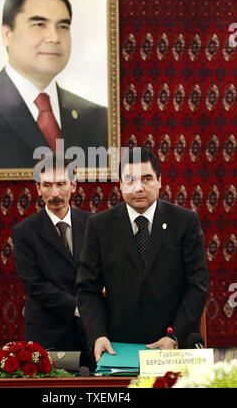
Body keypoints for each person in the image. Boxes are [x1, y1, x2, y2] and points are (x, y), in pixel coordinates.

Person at [76, 147, 209, 364]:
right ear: (120, 184)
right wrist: (98, 335)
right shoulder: (99, 226)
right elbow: (87, 288)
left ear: (159, 181)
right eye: (130, 180)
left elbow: (198, 285)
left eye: (147, 178)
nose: (138, 187)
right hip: (119, 347)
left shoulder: (185, 222)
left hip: (175, 343)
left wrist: (173, 336)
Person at [0, 0, 107, 169]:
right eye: (39, 24)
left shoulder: (97, 118)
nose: (54, 37)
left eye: (63, 26)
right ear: (7, 34)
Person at [12, 153, 92, 367]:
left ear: (73, 186)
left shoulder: (94, 224)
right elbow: (34, 284)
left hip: (92, 332)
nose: (54, 192)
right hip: (48, 332)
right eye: (47, 185)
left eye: (61, 184)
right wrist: (78, 308)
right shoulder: (24, 232)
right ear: (38, 189)